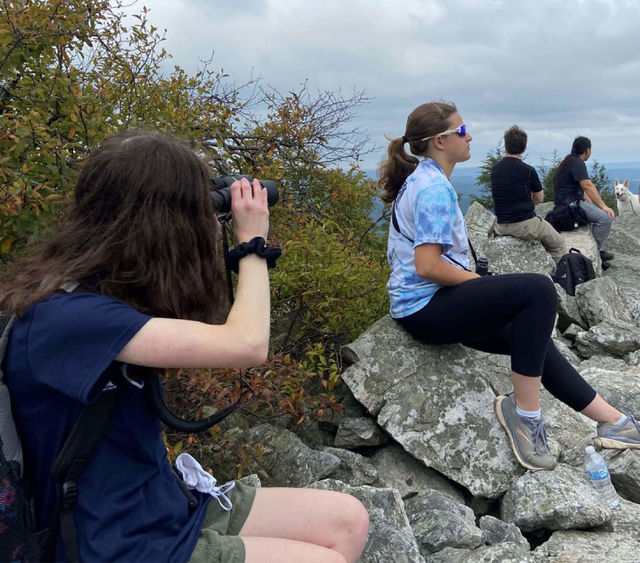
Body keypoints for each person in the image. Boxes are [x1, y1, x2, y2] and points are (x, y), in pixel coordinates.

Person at [0, 132, 369, 563]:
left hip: (162, 506)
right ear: (161, 223)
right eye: (199, 210)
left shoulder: (105, 290)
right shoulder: (67, 319)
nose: (211, 221)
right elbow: (246, 344)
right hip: (114, 544)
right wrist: (252, 246)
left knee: (347, 520)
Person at [378, 102, 640, 472]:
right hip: (426, 309)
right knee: (539, 290)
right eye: (462, 131)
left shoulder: (428, 179)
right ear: (440, 141)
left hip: (433, 303)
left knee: (532, 337)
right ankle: (525, 417)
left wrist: (480, 284)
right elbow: (428, 266)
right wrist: (479, 282)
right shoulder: (432, 188)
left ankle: (613, 422)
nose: (470, 136)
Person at [491, 125, 567, 262]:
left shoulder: (495, 169)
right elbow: (539, 198)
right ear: (524, 148)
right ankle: (559, 277)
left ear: (506, 145)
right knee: (559, 244)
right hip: (524, 225)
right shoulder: (528, 170)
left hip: (501, 224)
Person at [553, 137, 616, 263]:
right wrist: (603, 206)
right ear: (587, 150)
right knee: (605, 218)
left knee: (595, 213)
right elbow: (587, 185)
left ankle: (597, 248)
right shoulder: (577, 162)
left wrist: (591, 205)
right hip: (571, 205)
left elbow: (580, 187)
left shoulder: (568, 161)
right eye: (590, 150)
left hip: (564, 203)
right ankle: (596, 251)